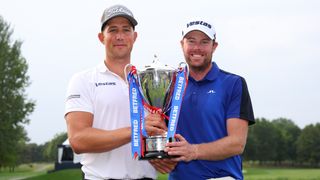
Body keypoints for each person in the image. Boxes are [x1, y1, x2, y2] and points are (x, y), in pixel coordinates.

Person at [146, 19, 255, 180]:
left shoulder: (233, 83)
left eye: (204, 42)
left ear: (214, 46)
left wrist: (193, 151)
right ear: (182, 44)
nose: (197, 48)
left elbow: (237, 143)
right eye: (191, 41)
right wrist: (155, 156)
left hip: (222, 177)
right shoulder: (169, 85)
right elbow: (159, 133)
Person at [64, 4, 157, 180]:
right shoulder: (83, 80)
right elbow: (78, 139)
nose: (120, 36)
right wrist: (138, 129)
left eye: (126, 30)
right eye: (113, 30)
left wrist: (166, 158)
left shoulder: (150, 82)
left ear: (134, 36)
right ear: (101, 37)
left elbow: (157, 133)